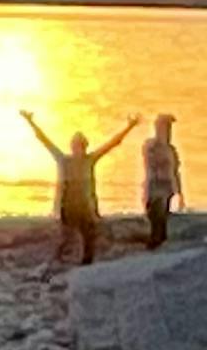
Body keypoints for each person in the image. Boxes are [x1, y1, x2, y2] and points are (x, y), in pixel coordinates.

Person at [19, 108, 136, 268]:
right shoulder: (63, 160)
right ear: (72, 147)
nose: (77, 149)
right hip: (68, 206)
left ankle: (86, 261)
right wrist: (30, 121)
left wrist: (130, 126)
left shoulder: (90, 160)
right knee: (74, 232)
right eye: (75, 145)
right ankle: (66, 256)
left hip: (84, 206)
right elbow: (45, 141)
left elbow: (111, 144)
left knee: (90, 232)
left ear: (84, 147)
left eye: (80, 145)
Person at [140, 112, 183, 248]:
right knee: (156, 219)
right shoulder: (151, 145)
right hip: (154, 190)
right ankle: (154, 246)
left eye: (169, 128)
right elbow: (153, 161)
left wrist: (180, 193)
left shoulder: (171, 150)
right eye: (165, 127)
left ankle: (160, 244)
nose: (168, 131)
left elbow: (176, 171)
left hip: (167, 190)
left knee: (163, 221)